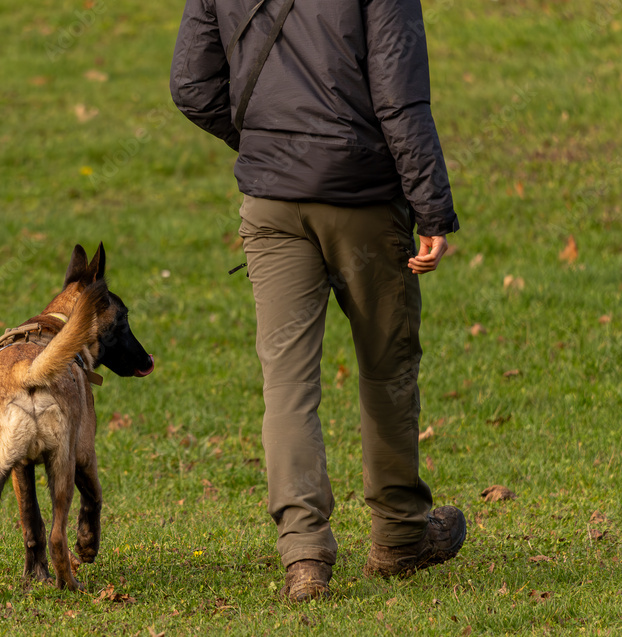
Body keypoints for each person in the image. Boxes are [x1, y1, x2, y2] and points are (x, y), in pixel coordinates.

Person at [170, 0, 466, 601]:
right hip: (363, 199)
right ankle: (401, 535)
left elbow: (192, 86)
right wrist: (432, 208)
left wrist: (271, 148)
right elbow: (400, 101)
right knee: (386, 367)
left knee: (286, 383)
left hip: (272, 202)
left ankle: (304, 556)